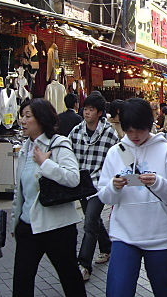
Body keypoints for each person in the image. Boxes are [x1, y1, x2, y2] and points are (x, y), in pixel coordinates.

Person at [98, 98, 167, 297]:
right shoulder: (117, 152)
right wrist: (114, 186)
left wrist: (158, 182)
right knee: (118, 291)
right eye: (129, 130)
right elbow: (104, 196)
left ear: (149, 124)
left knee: (164, 289)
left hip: (160, 236)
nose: (134, 135)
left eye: (139, 129)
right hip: (124, 236)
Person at [12, 98, 86, 297]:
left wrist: (46, 164)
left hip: (58, 227)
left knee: (70, 277)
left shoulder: (58, 143)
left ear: (42, 118)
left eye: (28, 116)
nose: (23, 120)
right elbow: (20, 192)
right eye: (22, 116)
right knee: (22, 279)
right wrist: (15, 223)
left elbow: (73, 178)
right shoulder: (26, 148)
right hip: (28, 226)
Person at [69, 93, 120, 281]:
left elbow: (120, 157)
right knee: (94, 220)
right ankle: (106, 247)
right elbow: (67, 153)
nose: (86, 112)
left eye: (91, 109)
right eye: (85, 108)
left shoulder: (109, 133)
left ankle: (83, 264)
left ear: (100, 113)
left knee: (89, 223)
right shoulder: (76, 132)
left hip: (100, 185)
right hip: (82, 185)